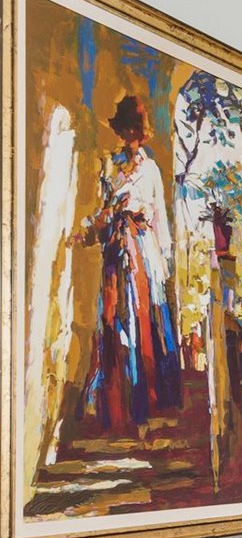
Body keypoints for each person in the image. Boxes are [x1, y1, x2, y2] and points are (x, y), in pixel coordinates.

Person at [76, 95, 183, 433]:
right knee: (113, 323)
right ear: (121, 132)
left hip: (142, 251)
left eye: (135, 132)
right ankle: (112, 405)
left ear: (142, 134)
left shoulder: (150, 170)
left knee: (142, 323)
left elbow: (159, 217)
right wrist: (100, 220)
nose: (130, 138)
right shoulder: (110, 167)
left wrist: (162, 258)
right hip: (115, 253)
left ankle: (144, 400)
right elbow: (103, 211)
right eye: (126, 131)